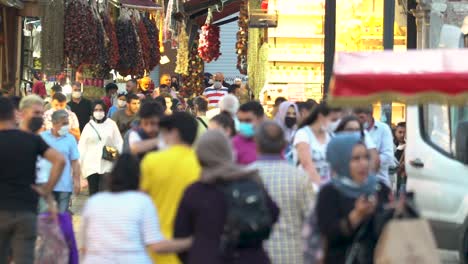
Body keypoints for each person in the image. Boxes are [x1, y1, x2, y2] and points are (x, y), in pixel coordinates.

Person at [174, 130, 279, 264]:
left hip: (208, 257)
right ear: (229, 151)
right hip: (252, 257)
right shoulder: (251, 182)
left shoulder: (195, 192)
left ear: (200, 155)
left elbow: (180, 235)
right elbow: (273, 213)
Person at [79, 154, 192, 264]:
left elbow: (84, 246)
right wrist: (190, 242)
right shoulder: (142, 202)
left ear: (112, 176)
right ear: (138, 177)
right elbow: (157, 246)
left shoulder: (94, 202)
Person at [0, 97, 65, 264]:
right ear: (15, 115)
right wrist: (46, 191)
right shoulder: (32, 140)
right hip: (26, 211)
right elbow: (60, 160)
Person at [315, 133, 391, 264]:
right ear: (340, 161)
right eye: (355, 159)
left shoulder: (380, 188)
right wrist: (357, 215)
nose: (363, 163)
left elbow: (390, 231)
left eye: (366, 157)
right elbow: (329, 234)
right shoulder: (330, 192)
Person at [140, 112, 201, 264]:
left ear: (174, 133)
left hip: (156, 246)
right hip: (191, 247)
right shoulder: (202, 164)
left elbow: (139, 202)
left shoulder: (151, 161)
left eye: (163, 133)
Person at [251, 121, 314, 264]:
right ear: (284, 145)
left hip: (255, 255)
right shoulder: (299, 177)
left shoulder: (246, 175)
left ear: (257, 143)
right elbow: (311, 219)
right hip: (292, 255)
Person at [38, 110, 81, 213]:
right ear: (55, 123)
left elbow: (75, 162)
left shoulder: (70, 139)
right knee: (46, 219)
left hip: (64, 186)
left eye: (68, 123)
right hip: (46, 185)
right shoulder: (42, 137)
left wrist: (77, 181)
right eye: (64, 124)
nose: (67, 127)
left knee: (62, 218)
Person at [79, 100, 123, 195]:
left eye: (101, 110)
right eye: (96, 110)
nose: (98, 112)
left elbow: (119, 143)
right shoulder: (88, 126)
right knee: (93, 194)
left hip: (108, 164)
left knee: (106, 194)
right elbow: (82, 147)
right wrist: (79, 169)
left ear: (105, 111)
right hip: (91, 166)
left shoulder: (111, 124)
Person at [293, 103, 332, 187]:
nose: (333, 123)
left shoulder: (330, 136)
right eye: (333, 119)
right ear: (321, 117)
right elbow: (306, 164)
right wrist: (321, 186)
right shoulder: (303, 134)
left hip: (326, 184)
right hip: (306, 186)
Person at [354, 107, 394, 187]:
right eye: (356, 118)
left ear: (370, 115)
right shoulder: (353, 129)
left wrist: (366, 164)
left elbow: (388, 156)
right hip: (356, 182)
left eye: (362, 117)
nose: (359, 121)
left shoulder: (383, 129)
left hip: (379, 180)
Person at [394, 122, 406, 195]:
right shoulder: (392, 146)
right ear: (395, 133)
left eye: (404, 132)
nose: (402, 135)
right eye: (400, 132)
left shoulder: (410, 147)